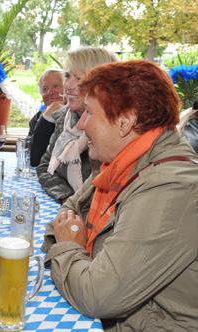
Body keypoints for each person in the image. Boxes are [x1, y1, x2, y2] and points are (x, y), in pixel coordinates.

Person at [42, 60, 198, 331]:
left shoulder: (171, 187)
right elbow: (67, 213)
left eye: (89, 112)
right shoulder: (122, 163)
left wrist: (69, 246)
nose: (81, 125)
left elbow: (96, 295)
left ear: (126, 121)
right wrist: (71, 244)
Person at [36, 47, 118, 204]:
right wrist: (67, 197)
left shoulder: (114, 130)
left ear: (103, 85)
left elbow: (106, 195)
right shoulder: (65, 118)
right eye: (67, 76)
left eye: (79, 79)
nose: (68, 85)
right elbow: (45, 166)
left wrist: (74, 205)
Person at [28, 68, 65, 166]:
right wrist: (44, 120)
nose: (50, 92)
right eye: (45, 89)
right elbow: (29, 153)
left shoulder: (77, 117)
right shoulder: (37, 118)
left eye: (56, 86)